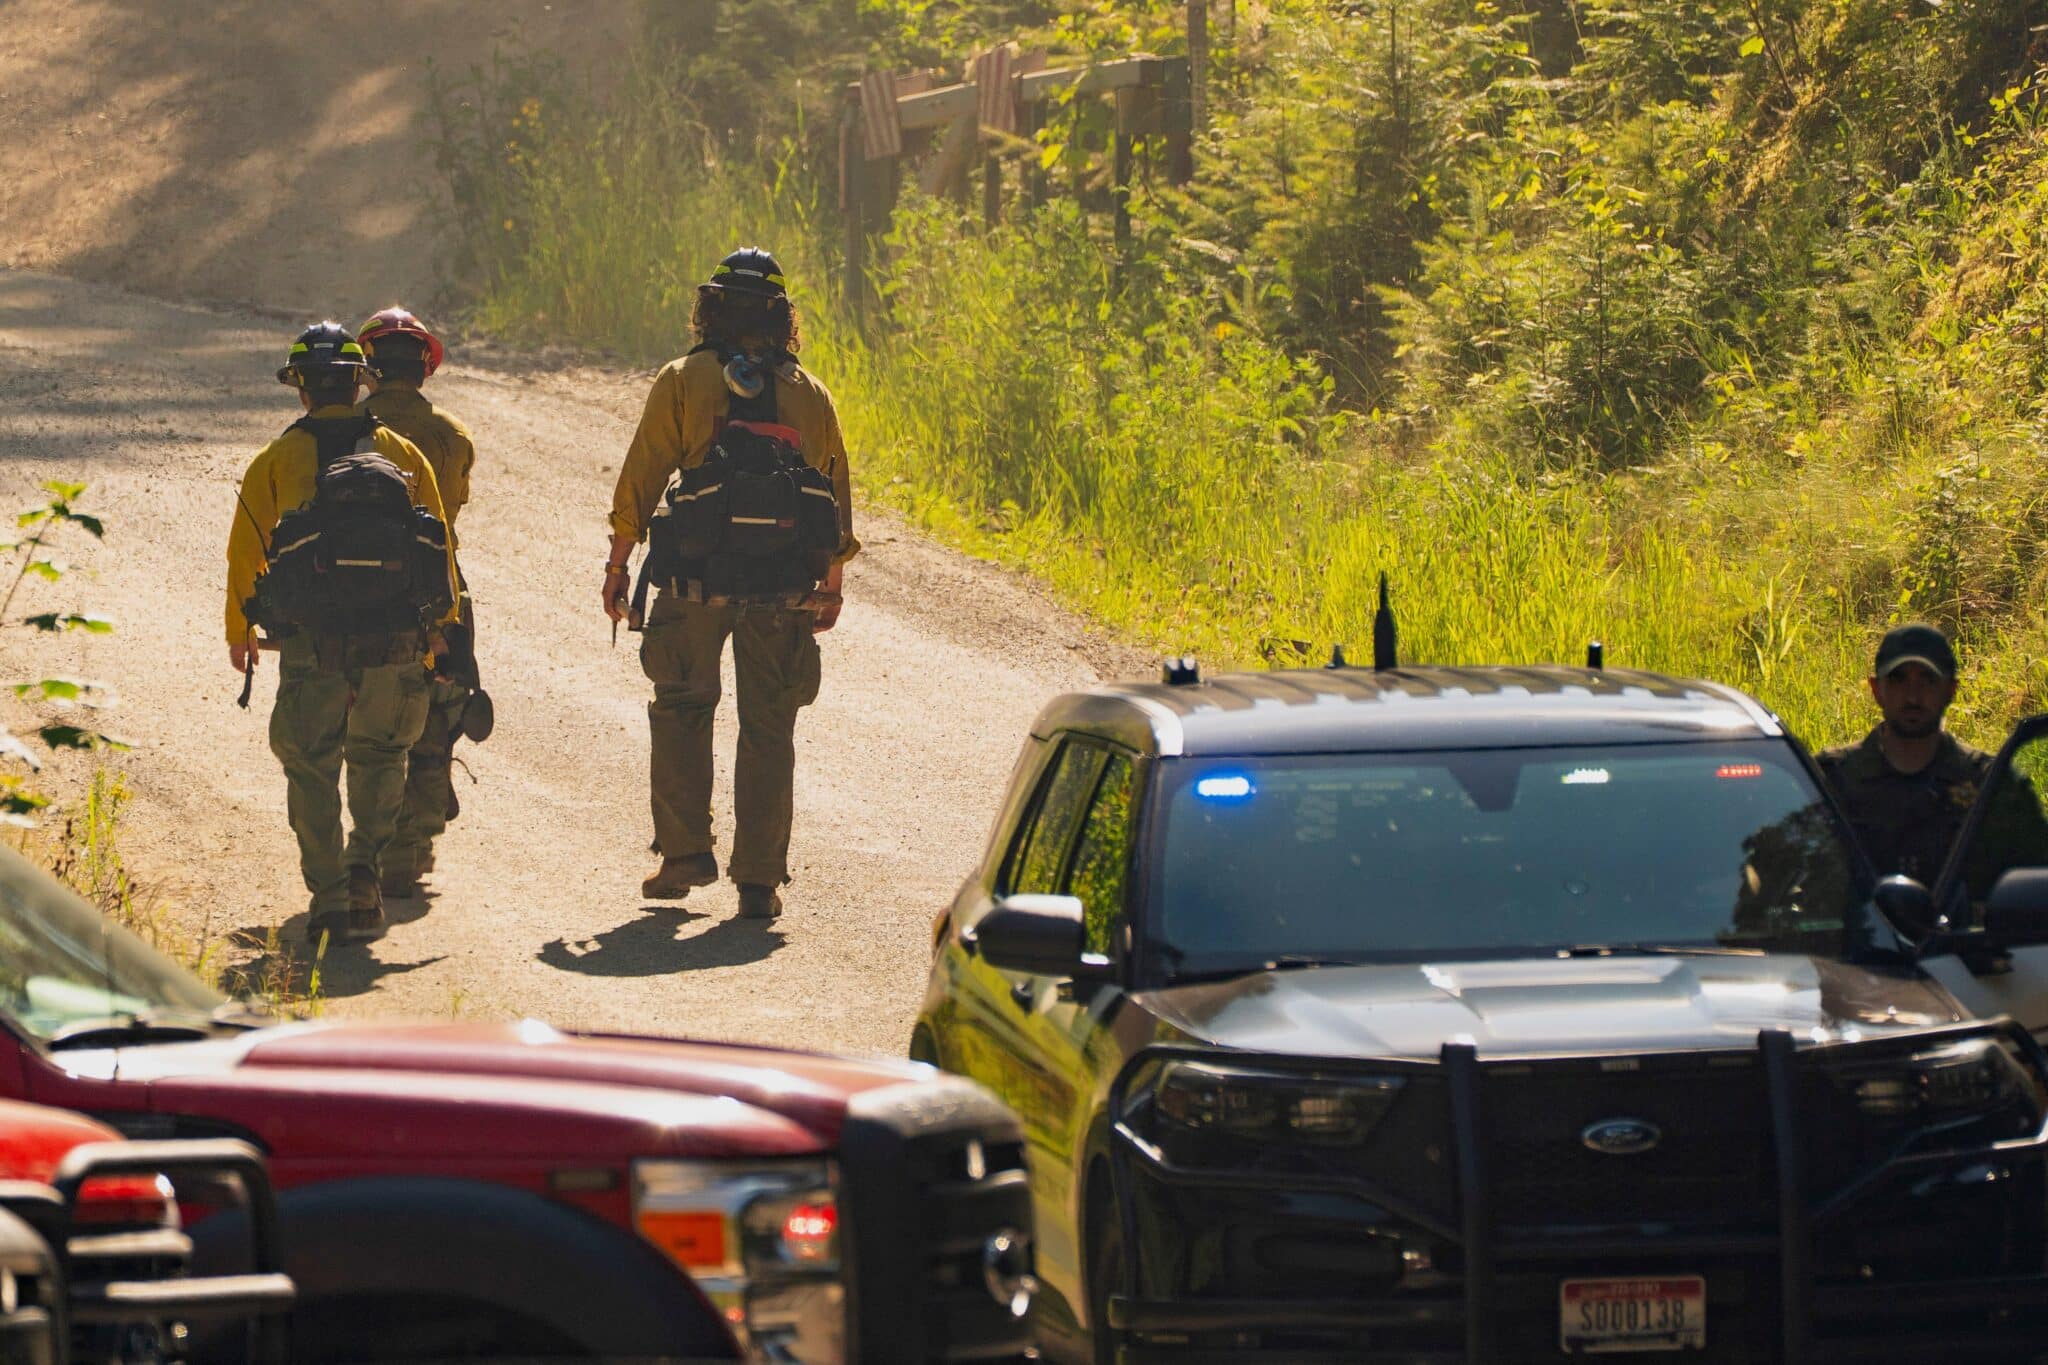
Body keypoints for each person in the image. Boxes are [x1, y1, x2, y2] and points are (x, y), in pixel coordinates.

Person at [603, 248, 858, 920]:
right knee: (769, 726)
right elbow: (833, 494)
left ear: (710, 307)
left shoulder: (683, 379)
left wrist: (618, 564)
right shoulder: (809, 393)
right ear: (781, 316)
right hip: (780, 588)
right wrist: (829, 582)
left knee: (683, 706)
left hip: (693, 581)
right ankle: (759, 880)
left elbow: (644, 476)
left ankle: (685, 853)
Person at [227, 323, 462, 944]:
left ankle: (330, 894)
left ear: (300, 388)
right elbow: (440, 548)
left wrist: (240, 630)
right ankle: (364, 871)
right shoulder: (403, 455)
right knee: (383, 756)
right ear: (361, 383)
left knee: (310, 765)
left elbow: (245, 554)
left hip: (312, 644)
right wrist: (444, 630)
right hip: (397, 642)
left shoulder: (275, 459)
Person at [357, 308, 477, 901]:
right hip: (436, 588)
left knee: (364, 720)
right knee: (437, 712)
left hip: (355, 593)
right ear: (426, 368)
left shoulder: (342, 428)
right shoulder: (453, 437)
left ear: (368, 368)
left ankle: (368, 847)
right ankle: (415, 843)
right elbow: (450, 511)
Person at [1817, 624, 1990, 886]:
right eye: (1898, 679)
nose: (1913, 696)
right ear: (1876, 689)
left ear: (1951, 690)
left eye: (1928, 680)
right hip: (1863, 927)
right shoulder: (1830, 779)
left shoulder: (1988, 781)